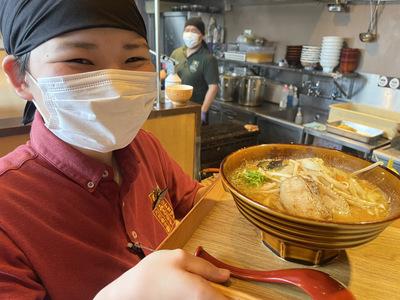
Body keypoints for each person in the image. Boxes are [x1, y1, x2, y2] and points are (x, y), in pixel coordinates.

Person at [0, 1, 230, 299]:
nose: (114, 85)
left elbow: (198, 203)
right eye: (81, 60)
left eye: (134, 58)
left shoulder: (145, 147)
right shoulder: (8, 211)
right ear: (20, 77)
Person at [170, 17, 219, 125]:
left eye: (194, 31)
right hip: (174, 108)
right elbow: (168, 73)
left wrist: (203, 111)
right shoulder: (176, 53)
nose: (189, 33)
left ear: (202, 35)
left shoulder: (208, 59)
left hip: (194, 111)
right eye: (187, 30)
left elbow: (213, 87)